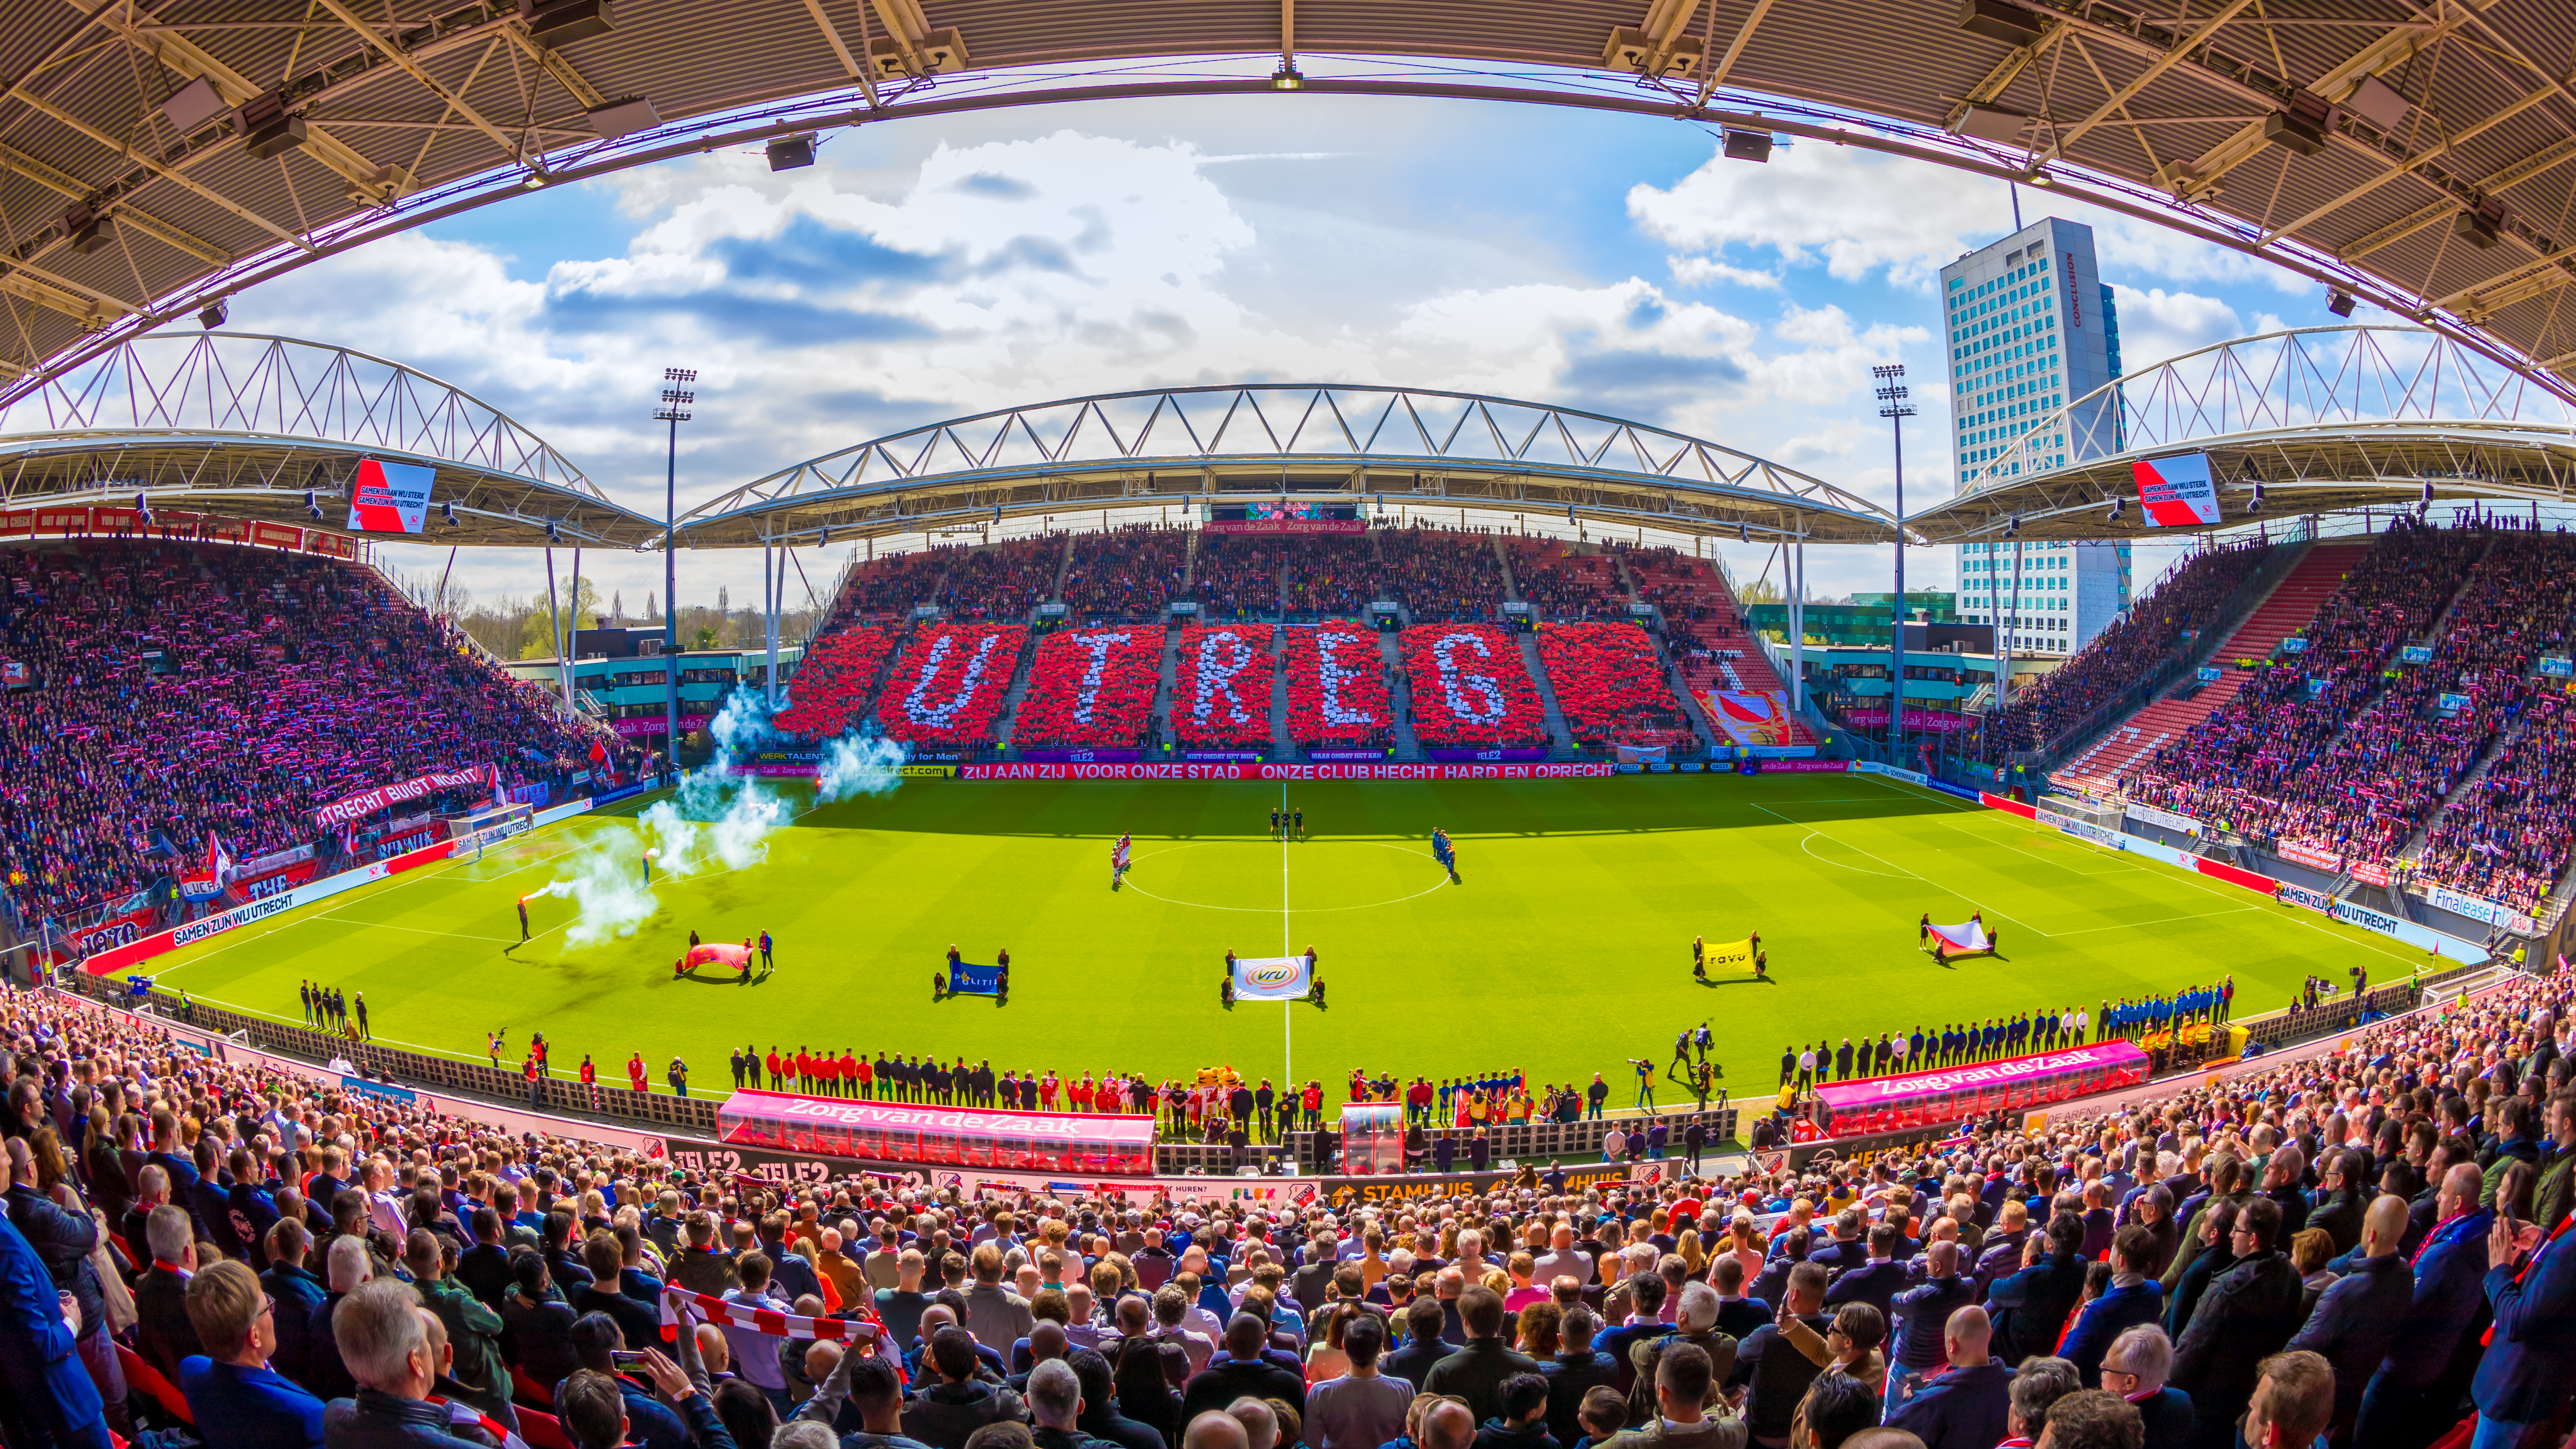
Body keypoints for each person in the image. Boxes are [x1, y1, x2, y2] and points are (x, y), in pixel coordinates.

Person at [179, 1257, 328, 1449]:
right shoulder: (310, 1418)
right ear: (254, 1336)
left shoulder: (190, 1371)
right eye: (267, 1306)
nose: (272, 1310)